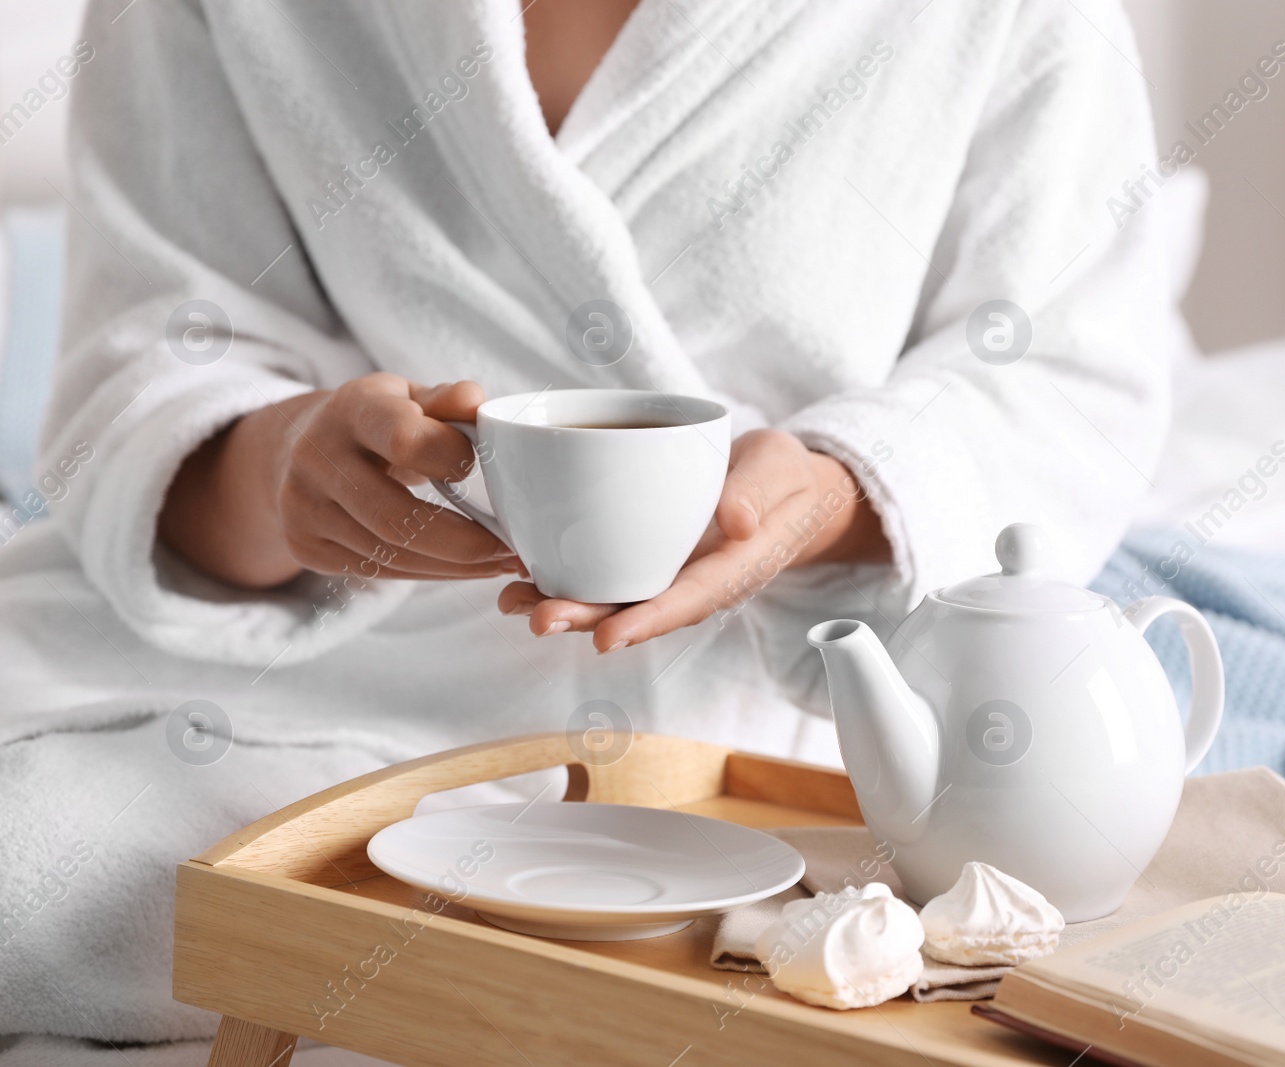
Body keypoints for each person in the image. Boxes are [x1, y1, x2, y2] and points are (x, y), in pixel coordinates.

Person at [0, 0, 1176, 1043]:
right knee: (39, 878)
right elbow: (150, 354)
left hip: (733, 742)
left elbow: (1073, 374)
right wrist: (281, 474)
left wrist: (824, 493)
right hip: (297, 685)